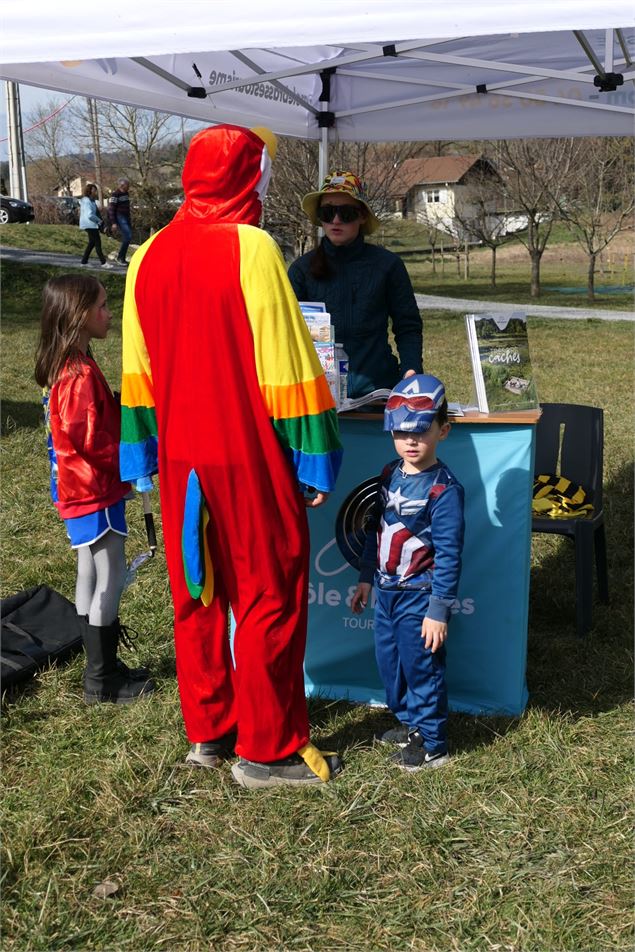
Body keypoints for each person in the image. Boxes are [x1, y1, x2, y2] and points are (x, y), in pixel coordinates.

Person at [118, 124, 344, 789]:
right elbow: (286, 363)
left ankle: (209, 731)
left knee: (197, 591)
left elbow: (136, 371)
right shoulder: (251, 246)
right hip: (246, 451)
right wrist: (313, 454)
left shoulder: (145, 254)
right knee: (269, 588)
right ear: (248, 179)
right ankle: (268, 749)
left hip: (182, 457)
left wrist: (142, 455)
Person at [34, 273, 155, 705]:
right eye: (102, 306)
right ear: (78, 315)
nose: (108, 313)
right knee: (111, 574)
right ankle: (102, 680)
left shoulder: (69, 363)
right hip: (92, 490)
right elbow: (90, 439)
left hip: (75, 490)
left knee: (89, 571)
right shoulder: (78, 373)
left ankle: (101, 668)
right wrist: (134, 459)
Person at [350, 374, 464, 770]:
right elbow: (375, 530)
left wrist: (438, 610)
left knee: (422, 668)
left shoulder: (444, 490)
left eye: (421, 431)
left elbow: (449, 554)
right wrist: (366, 577)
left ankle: (432, 743)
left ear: (443, 430)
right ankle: (410, 723)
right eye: (401, 432)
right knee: (391, 664)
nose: (410, 441)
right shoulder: (389, 474)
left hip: (420, 596)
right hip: (386, 593)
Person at [288, 170, 423, 399]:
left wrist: (411, 368)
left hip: (378, 391)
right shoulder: (301, 270)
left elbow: (408, 325)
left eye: (347, 213)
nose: (336, 220)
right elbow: (286, 333)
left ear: (362, 216)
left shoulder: (388, 266)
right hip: (317, 396)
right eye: (327, 212)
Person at [79, 183, 113, 269]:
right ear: (89, 191)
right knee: (98, 243)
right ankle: (103, 263)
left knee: (91, 243)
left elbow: (95, 213)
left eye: (96, 190)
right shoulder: (86, 201)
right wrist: (99, 221)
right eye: (94, 190)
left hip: (91, 224)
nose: (95, 192)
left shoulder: (91, 200)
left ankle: (84, 262)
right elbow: (90, 215)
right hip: (89, 224)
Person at [107, 178, 132, 265]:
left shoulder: (126, 194)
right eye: (127, 185)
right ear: (122, 185)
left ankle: (122, 257)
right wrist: (113, 222)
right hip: (120, 217)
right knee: (128, 236)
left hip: (126, 217)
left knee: (127, 237)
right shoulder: (115, 194)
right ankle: (120, 258)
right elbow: (111, 209)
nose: (129, 187)